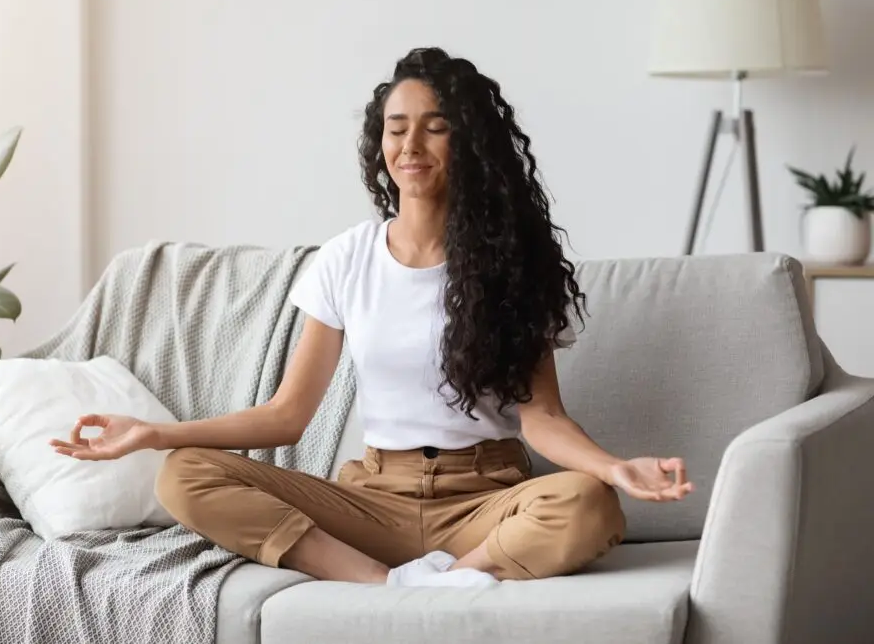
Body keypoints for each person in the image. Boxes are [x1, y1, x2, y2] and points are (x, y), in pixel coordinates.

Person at [50, 47, 693, 587]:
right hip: (373, 500)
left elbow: (544, 419)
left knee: (586, 503)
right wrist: (156, 434)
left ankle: (452, 578)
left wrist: (613, 468)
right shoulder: (346, 259)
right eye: (396, 126)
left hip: (484, 498)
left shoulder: (514, 267)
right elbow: (286, 416)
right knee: (185, 474)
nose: (410, 144)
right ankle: (388, 587)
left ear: (468, 140)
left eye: (435, 126)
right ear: (379, 138)